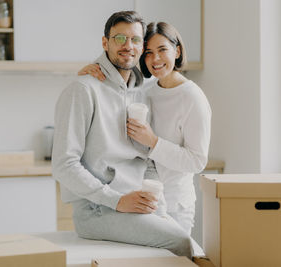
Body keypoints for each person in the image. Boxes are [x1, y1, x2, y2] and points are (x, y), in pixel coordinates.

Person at [52, 11, 192, 258]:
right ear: (105, 43)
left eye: (136, 40)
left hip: (135, 205)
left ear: (141, 48)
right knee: (180, 242)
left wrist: (156, 206)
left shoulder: (138, 92)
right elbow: (63, 165)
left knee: (183, 239)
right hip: (98, 211)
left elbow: (145, 159)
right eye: (120, 39)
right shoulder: (83, 90)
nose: (128, 46)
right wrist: (116, 201)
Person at [78, 22, 212, 235]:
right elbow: (114, 86)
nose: (155, 59)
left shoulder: (192, 97)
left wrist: (154, 142)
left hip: (175, 203)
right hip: (141, 201)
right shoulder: (145, 91)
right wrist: (88, 73)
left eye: (162, 50)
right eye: (148, 53)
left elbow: (197, 161)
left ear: (177, 51)